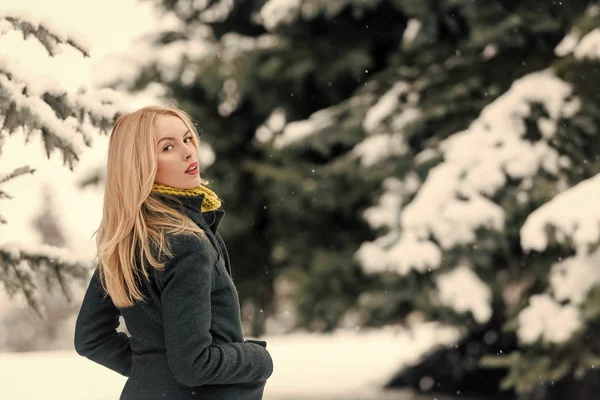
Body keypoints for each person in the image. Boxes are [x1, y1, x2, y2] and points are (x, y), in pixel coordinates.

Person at [74, 105, 273, 400]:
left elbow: (90, 338)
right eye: (167, 147)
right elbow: (194, 366)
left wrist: (152, 372)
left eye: (187, 139)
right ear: (141, 165)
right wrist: (258, 359)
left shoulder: (127, 240)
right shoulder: (186, 243)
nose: (188, 152)